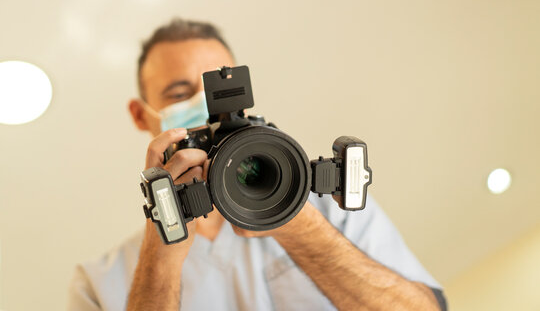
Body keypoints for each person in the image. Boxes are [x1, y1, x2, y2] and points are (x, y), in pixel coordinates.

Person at [68, 18, 447, 311]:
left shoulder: (332, 211)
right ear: (140, 114)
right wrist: (162, 250)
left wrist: (296, 220)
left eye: (217, 91)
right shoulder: (101, 281)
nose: (205, 108)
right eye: (180, 93)